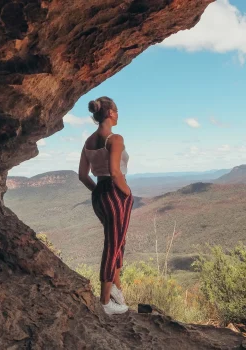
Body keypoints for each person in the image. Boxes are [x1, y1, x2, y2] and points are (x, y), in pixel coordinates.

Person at [78, 96, 133, 315]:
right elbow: (115, 171)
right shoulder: (115, 138)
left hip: (99, 193)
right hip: (115, 192)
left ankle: (116, 290)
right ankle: (105, 302)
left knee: (117, 240)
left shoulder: (88, 142)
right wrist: (126, 192)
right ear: (110, 113)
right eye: (117, 110)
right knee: (113, 245)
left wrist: (99, 192)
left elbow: (83, 175)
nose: (118, 114)